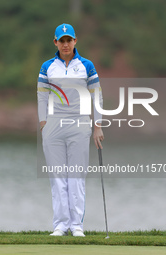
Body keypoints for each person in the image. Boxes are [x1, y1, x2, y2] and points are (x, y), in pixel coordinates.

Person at [37, 24, 104, 237]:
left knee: (76, 176)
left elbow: (97, 95)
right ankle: (60, 225)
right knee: (57, 177)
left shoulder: (86, 65)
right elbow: (41, 96)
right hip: (54, 124)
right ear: (55, 42)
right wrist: (43, 123)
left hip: (80, 123)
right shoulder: (47, 66)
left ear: (75, 41)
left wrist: (98, 126)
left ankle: (76, 226)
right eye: (61, 40)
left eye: (69, 40)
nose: (65, 44)